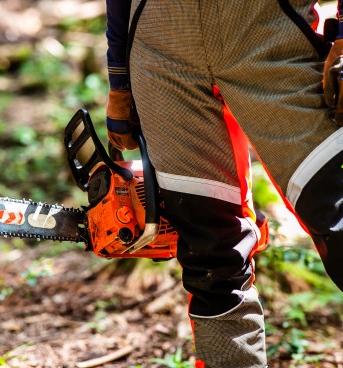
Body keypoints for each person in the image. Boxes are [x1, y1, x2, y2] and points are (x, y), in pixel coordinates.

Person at [104, 0, 343, 367]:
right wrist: (119, 78)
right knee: (211, 257)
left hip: (271, 30)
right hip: (159, 45)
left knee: (338, 216)